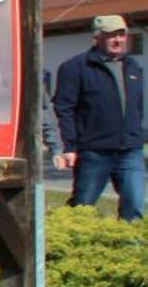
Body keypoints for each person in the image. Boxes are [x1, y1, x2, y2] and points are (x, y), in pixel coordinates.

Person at [52, 14, 144, 221]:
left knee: (135, 206)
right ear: (97, 38)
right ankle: (69, 245)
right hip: (94, 151)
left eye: (121, 35)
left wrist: (138, 134)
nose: (118, 40)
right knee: (82, 206)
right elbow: (64, 109)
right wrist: (70, 146)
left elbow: (137, 107)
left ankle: (129, 249)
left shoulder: (133, 67)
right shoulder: (75, 68)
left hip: (129, 150)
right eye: (111, 35)